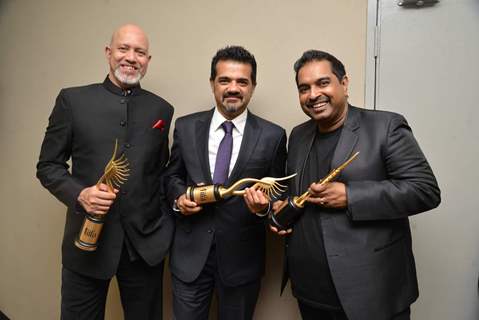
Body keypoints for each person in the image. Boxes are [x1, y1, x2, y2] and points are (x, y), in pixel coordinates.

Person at [271, 50, 441, 320]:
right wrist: (279, 208)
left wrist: (351, 196)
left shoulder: (386, 126)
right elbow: (297, 194)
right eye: (304, 88)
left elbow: (425, 190)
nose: (313, 94)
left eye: (323, 83)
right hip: (309, 291)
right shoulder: (299, 135)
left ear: (344, 83)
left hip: (371, 291)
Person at [36, 24, 174, 320]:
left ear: (148, 60)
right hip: (86, 243)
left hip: (144, 247)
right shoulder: (72, 100)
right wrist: (80, 194)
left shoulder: (162, 110)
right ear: (108, 53)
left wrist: (164, 226)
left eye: (140, 52)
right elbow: (47, 166)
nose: (131, 57)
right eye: (123, 49)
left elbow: (159, 172)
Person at [163, 46, 287, 320]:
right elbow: (171, 176)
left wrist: (264, 208)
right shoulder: (185, 127)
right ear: (212, 84)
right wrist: (179, 198)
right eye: (224, 80)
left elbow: (279, 192)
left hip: (242, 262)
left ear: (253, 86)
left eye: (242, 81)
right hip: (189, 258)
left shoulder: (273, 136)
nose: (233, 88)